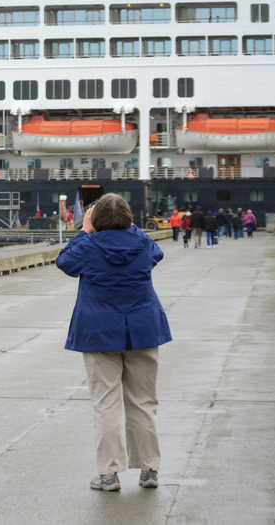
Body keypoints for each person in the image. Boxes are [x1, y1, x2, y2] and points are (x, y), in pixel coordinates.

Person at [56, 193, 172, 492]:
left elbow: (65, 262)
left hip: (98, 331)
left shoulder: (89, 246)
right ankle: (149, 469)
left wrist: (85, 230)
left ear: (94, 219)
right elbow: (156, 254)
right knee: (143, 402)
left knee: (106, 404)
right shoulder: (141, 243)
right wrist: (129, 227)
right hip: (143, 329)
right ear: (129, 218)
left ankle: (108, 474)